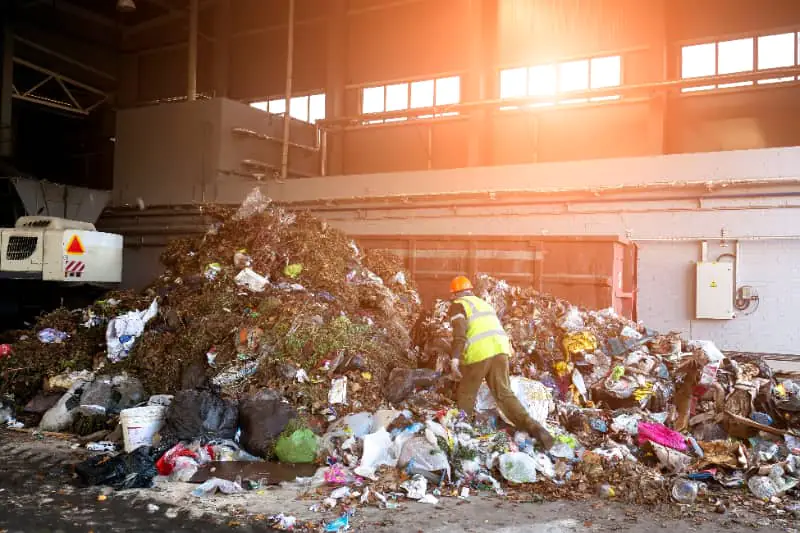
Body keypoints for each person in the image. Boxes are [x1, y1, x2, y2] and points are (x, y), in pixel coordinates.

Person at [448, 275, 554, 450]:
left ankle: (462, 434)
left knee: (466, 393)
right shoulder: (483, 303)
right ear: (470, 290)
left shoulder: (459, 305)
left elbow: (459, 334)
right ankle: (536, 429)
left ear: (454, 294)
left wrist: (455, 358)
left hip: (480, 353)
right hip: (501, 350)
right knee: (504, 395)